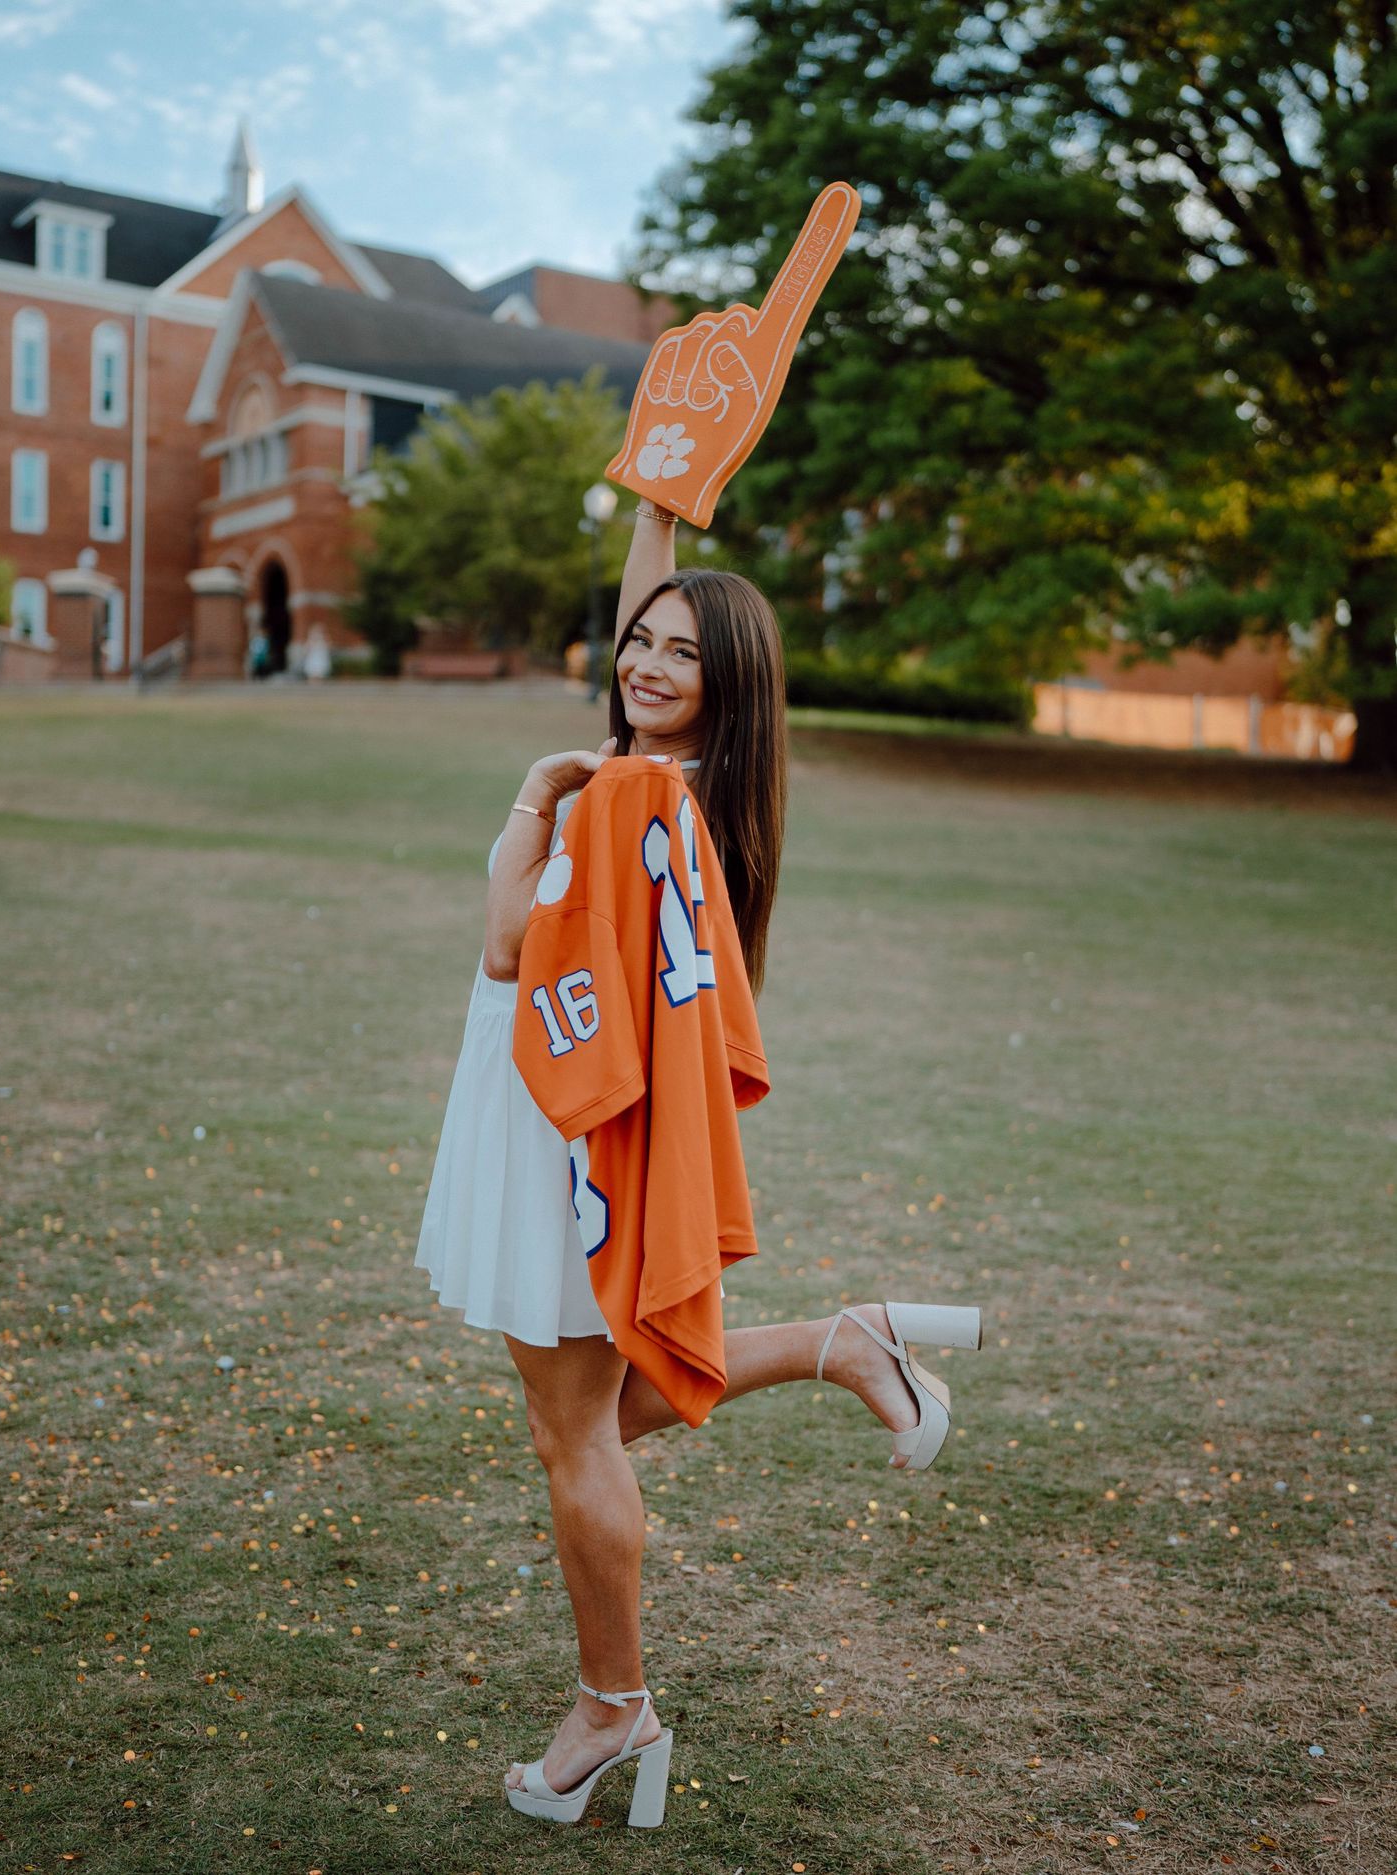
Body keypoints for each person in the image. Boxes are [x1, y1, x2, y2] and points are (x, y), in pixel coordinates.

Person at [413, 494, 982, 1823]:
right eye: (641, 643)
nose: (647, 663)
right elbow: (640, 635)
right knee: (594, 1420)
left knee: (581, 1438)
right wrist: (659, 509)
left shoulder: (615, 797)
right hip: (548, 1109)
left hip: (566, 1129)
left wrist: (528, 796)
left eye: (682, 657)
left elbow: (506, 942)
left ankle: (613, 1711)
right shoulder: (685, 792)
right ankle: (842, 1345)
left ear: (725, 691)